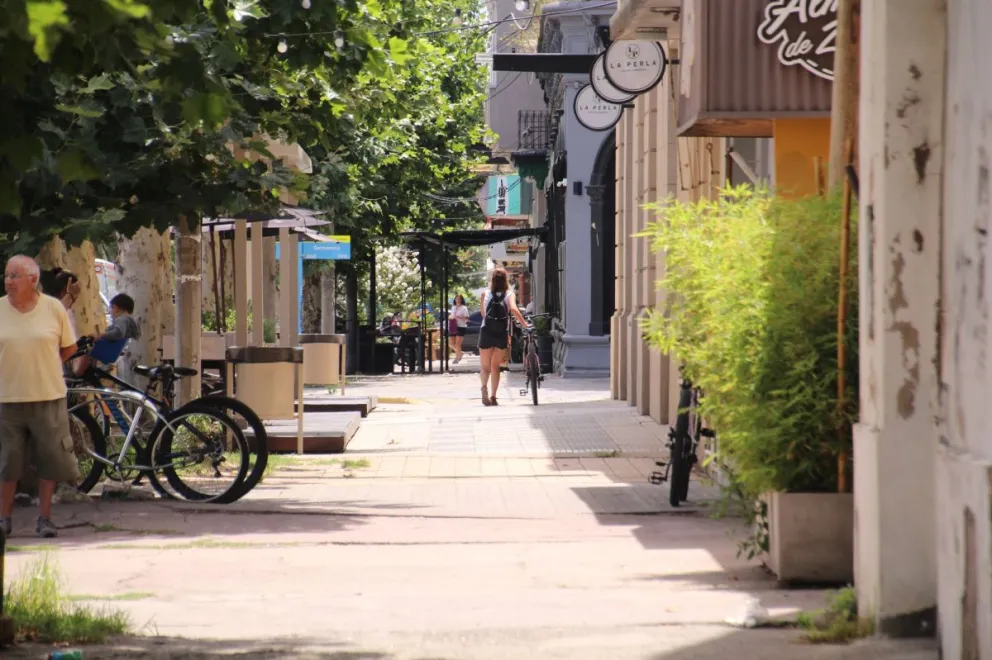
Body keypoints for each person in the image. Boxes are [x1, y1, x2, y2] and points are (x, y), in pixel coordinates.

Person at [0, 255, 81, 538]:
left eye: (14, 276)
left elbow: (69, 348)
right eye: (7, 276)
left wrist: (44, 363)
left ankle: (44, 518)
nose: (8, 281)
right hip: (7, 399)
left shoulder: (53, 308)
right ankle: (4, 518)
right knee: (8, 462)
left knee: (50, 459)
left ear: (33, 280)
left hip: (48, 396)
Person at [478, 268, 528, 406]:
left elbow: (483, 314)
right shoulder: (509, 294)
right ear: (505, 279)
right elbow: (513, 309)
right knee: (496, 367)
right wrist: (524, 324)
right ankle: (493, 396)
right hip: (501, 332)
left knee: (485, 366)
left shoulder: (485, 294)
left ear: (492, 280)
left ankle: (484, 387)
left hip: (486, 331)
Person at [71, 293, 141, 377]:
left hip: (107, 350)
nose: (110, 313)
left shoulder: (122, 319)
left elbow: (118, 333)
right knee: (88, 347)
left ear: (115, 308)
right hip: (110, 350)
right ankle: (85, 371)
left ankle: (78, 373)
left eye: (110, 309)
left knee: (86, 350)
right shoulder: (128, 321)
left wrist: (100, 335)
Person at [448, 294, 470, 364]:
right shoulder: (453, 307)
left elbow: (467, 318)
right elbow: (452, 315)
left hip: (461, 326)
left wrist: (460, 317)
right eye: (456, 298)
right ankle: (460, 353)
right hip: (453, 326)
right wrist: (451, 317)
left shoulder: (464, 308)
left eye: (459, 298)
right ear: (455, 299)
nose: (458, 300)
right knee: (451, 344)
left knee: (457, 345)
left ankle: (457, 358)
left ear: (461, 300)